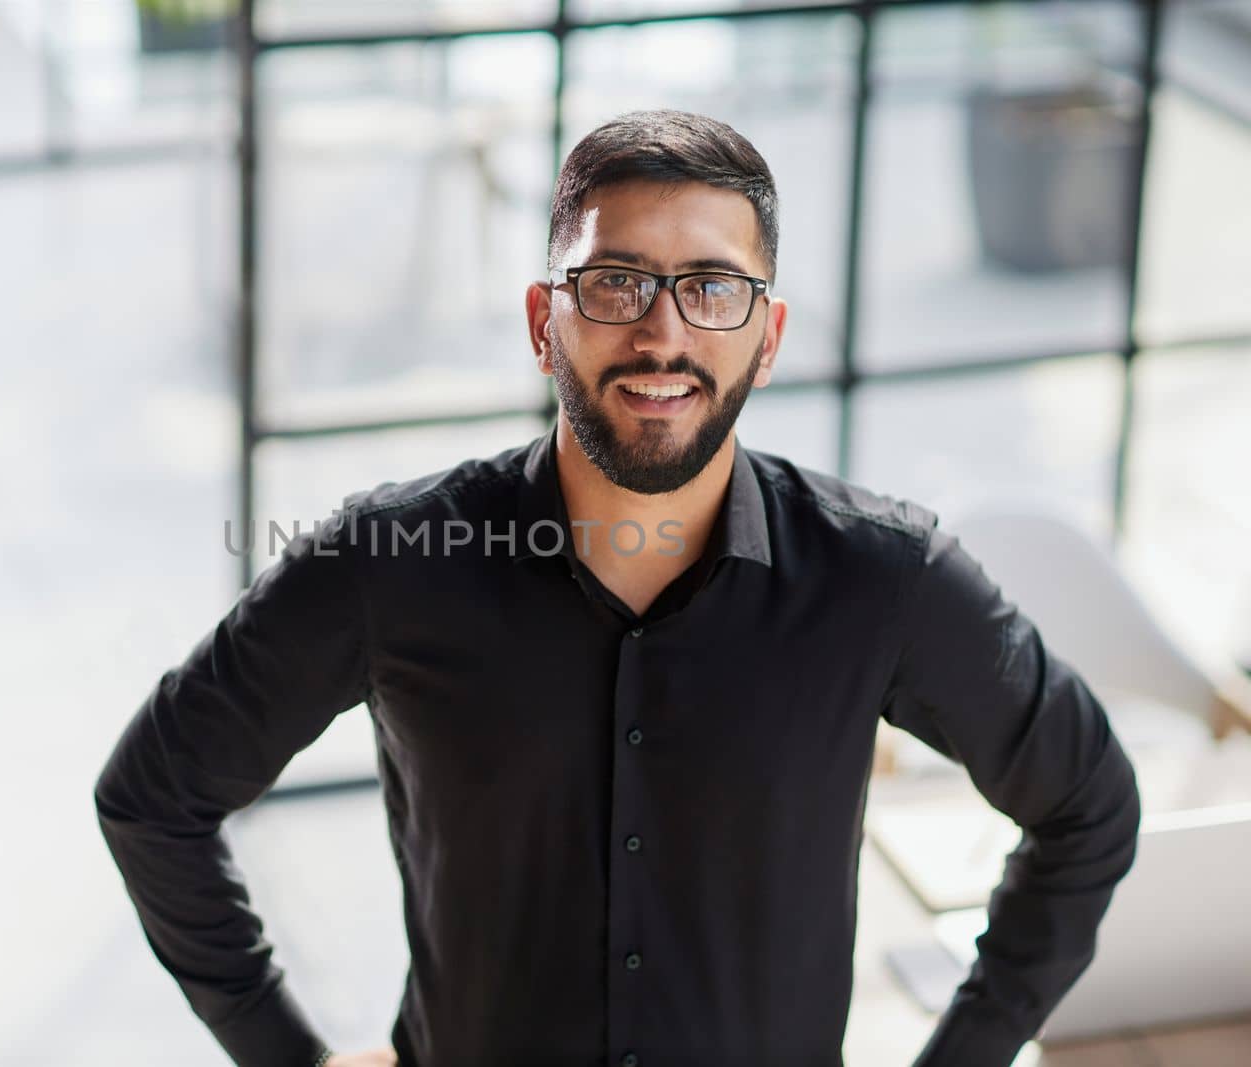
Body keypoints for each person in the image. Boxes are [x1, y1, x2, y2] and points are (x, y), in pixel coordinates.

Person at [93, 110, 1141, 1067]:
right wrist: (284, 1050)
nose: (663, 332)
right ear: (545, 318)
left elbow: (1088, 803)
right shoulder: (388, 561)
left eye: (712, 286)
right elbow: (153, 793)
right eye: (616, 281)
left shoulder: (882, 581)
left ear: (766, 340)